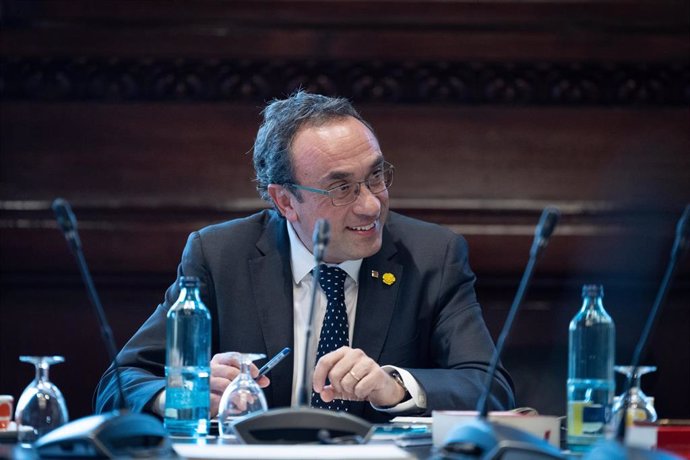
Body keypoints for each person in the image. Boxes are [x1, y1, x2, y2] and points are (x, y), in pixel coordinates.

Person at [95, 91, 515, 422]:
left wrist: (396, 386)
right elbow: (121, 381)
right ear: (285, 201)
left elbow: (489, 385)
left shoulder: (432, 256)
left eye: (376, 177)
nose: (370, 205)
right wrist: (180, 394)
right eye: (341, 188)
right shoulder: (220, 255)